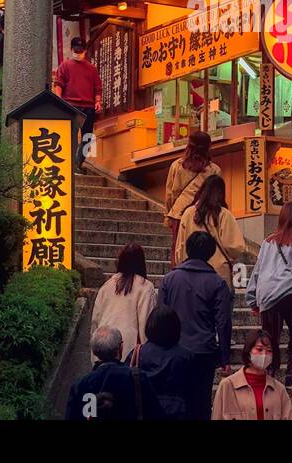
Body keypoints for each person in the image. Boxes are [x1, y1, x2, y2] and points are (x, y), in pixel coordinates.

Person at [159, 230, 233, 421]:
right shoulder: (217, 283)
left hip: (173, 351)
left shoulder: (169, 279)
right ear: (210, 252)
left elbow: (160, 315)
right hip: (203, 351)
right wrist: (225, 358)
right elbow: (223, 322)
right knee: (201, 404)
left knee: (174, 401)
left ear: (188, 250)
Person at [246, 202, 292, 386]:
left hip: (267, 294)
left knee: (270, 338)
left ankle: (269, 374)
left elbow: (258, 271)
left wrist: (253, 298)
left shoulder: (268, 241)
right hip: (291, 294)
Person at [65, 326, 162, 421]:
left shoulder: (82, 385)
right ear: (121, 348)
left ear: (94, 352)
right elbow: (155, 412)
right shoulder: (137, 377)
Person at [174, 174, 248, 285]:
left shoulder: (188, 213)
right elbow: (235, 246)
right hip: (218, 273)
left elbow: (180, 246)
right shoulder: (224, 214)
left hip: (190, 272)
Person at [90, 243, 156, 363]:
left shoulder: (108, 285)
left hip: (104, 346)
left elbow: (96, 319)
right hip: (129, 352)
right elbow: (146, 324)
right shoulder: (145, 287)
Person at [163, 130, 221, 265]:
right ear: (208, 147)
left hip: (179, 215)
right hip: (203, 216)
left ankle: (178, 276)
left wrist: (168, 215)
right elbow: (216, 197)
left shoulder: (177, 166)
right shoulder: (214, 170)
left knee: (178, 250)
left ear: (188, 145)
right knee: (203, 251)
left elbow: (170, 195)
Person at [126, 305, 193, 419]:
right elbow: (193, 390)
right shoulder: (185, 356)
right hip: (176, 411)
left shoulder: (138, 353)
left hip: (145, 410)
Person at [211, 330, 292, 420]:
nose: (264, 354)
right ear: (248, 351)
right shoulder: (227, 386)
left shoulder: (279, 389)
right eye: (259, 349)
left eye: (269, 351)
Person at [53, 36, 102, 147]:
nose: (78, 53)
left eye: (80, 51)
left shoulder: (92, 69)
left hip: (88, 107)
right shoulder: (64, 66)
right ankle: (73, 162)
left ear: (85, 51)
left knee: (88, 138)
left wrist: (98, 101)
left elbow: (98, 88)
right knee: (70, 136)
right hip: (70, 106)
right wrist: (59, 99)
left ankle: (79, 162)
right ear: (71, 50)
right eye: (76, 51)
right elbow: (58, 83)